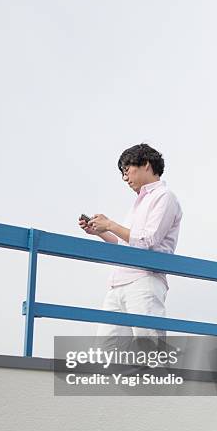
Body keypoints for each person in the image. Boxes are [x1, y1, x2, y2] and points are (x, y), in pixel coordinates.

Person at [78, 143, 182, 345]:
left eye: (127, 170)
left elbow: (148, 240)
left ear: (146, 164)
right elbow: (127, 243)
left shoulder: (164, 196)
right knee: (104, 352)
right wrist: (101, 232)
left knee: (149, 350)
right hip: (118, 283)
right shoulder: (139, 203)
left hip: (145, 280)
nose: (125, 178)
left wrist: (110, 224)